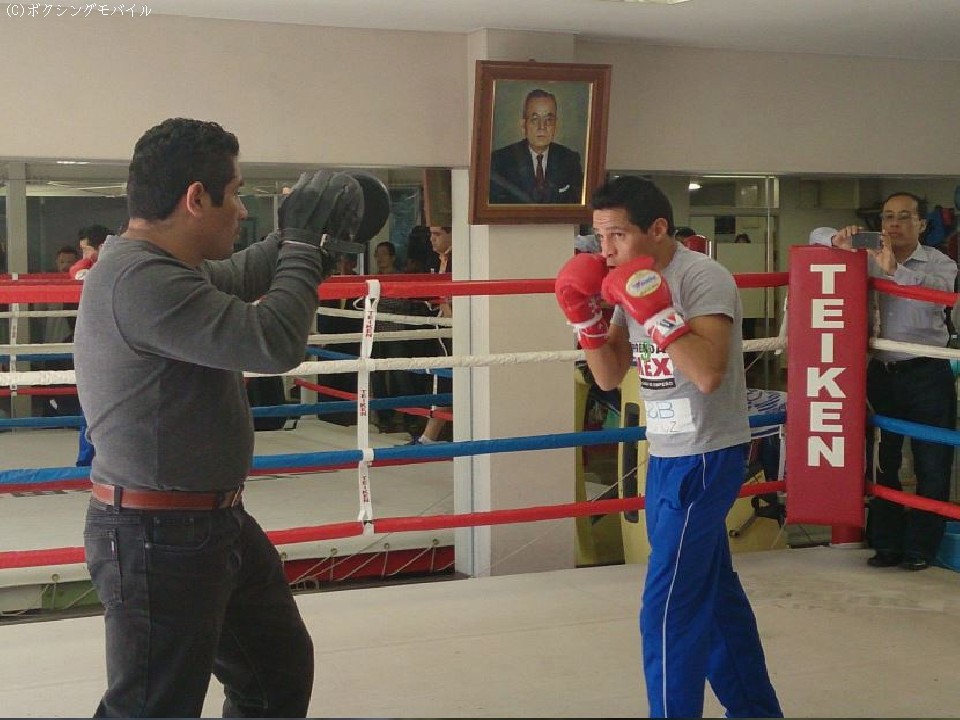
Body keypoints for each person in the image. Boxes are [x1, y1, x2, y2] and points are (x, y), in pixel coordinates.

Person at [74, 117, 386, 717]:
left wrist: (305, 231)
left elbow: (242, 274)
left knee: (275, 674)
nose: (242, 210)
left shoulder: (164, 267)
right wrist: (303, 246)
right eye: (236, 193)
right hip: (158, 535)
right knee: (152, 708)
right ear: (196, 198)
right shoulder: (140, 281)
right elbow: (273, 342)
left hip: (210, 521)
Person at [555, 176, 782, 718]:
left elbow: (707, 373)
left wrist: (656, 312)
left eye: (617, 235)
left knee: (668, 606)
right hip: (663, 455)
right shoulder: (622, 280)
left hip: (706, 456)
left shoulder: (702, 277)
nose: (606, 249)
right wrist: (585, 320)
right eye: (599, 237)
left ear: (657, 228)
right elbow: (609, 375)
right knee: (715, 596)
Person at [810, 191, 957, 571]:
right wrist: (838, 239)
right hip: (882, 373)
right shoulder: (866, 256)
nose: (895, 223)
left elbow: (940, 294)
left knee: (932, 464)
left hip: (928, 374)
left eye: (905, 216)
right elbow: (815, 235)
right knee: (881, 462)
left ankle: (921, 548)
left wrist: (895, 271)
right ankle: (887, 543)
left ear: (922, 224)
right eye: (889, 216)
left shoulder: (940, 262)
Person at [489, 88, 583, 205]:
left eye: (548, 120)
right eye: (535, 119)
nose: (542, 127)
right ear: (523, 125)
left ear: (556, 125)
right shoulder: (501, 161)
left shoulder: (569, 160)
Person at [409, 225, 453, 444]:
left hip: (456, 329)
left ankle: (429, 438)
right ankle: (429, 436)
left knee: (447, 379)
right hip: (443, 328)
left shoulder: (462, 258)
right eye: (431, 235)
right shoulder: (436, 261)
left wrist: (448, 308)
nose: (432, 239)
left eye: (437, 234)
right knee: (445, 378)